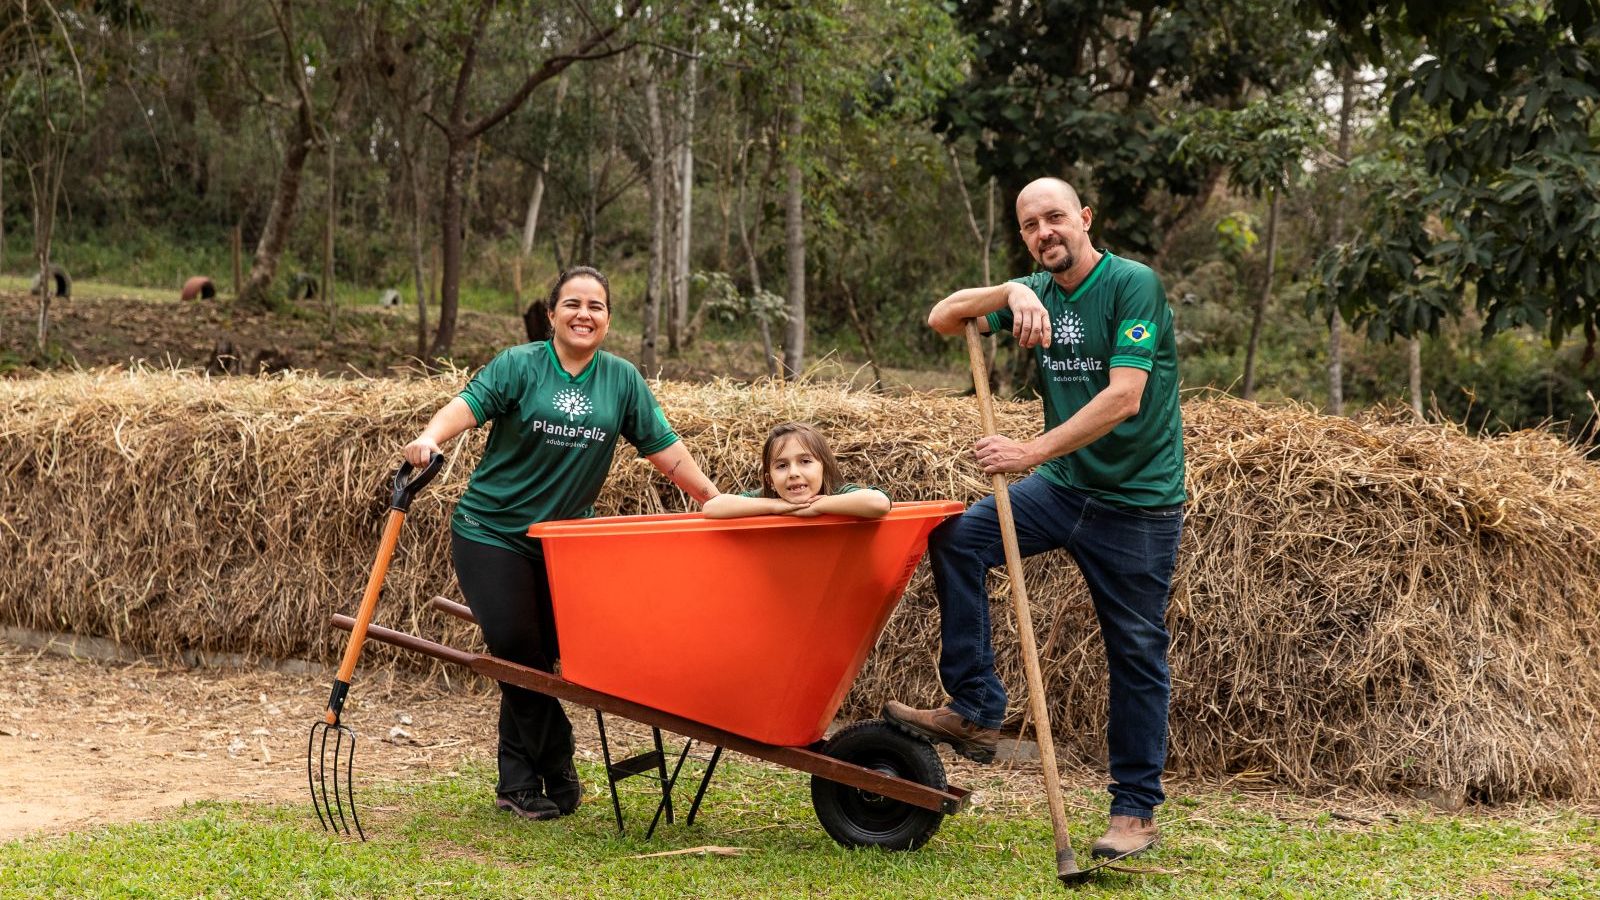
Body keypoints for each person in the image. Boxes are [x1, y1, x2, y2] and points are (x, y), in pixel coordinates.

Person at [883, 178, 1186, 860]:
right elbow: (942, 316)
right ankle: (976, 708)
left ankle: (1134, 812)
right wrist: (1010, 292)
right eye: (1029, 226)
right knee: (959, 538)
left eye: (1055, 218)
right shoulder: (1036, 293)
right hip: (1063, 489)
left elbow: (1126, 397)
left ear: (1084, 218)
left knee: (1135, 653)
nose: (1045, 232)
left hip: (1139, 504)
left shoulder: (1133, 285)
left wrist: (1031, 450)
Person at [403, 266, 720, 822]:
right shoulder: (520, 365)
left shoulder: (621, 381)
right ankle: (557, 759)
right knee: (516, 647)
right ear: (551, 315)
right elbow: (467, 406)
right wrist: (430, 437)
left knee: (531, 657)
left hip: (564, 545)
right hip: (491, 532)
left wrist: (711, 498)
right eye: (572, 304)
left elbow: (665, 450)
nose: (584, 315)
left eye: (596, 307)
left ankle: (518, 784)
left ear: (608, 319)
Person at [702, 422, 891, 520]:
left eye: (805, 461)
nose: (793, 472)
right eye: (782, 466)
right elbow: (712, 507)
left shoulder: (836, 493)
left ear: (823, 469)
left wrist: (818, 506)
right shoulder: (767, 497)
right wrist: (775, 506)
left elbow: (878, 503)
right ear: (769, 480)